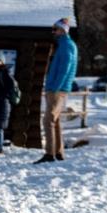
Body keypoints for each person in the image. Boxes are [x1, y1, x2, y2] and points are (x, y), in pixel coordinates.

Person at [36, 17, 77, 164]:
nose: (53, 32)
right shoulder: (65, 45)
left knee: (48, 120)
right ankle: (58, 152)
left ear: (62, 30)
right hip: (58, 89)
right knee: (56, 121)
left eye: (55, 29)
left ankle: (49, 154)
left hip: (57, 90)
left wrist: (55, 87)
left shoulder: (67, 46)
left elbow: (64, 69)